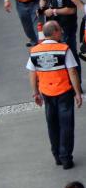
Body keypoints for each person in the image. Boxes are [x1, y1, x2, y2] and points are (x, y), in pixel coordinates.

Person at [28, 20, 82, 169]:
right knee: (66, 125)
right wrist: (78, 93)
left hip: (46, 93)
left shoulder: (35, 51)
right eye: (60, 30)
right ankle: (66, 158)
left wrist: (35, 93)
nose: (62, 32)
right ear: (55, 32)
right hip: (64, 92)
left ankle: (57, 156)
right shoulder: (63, 49)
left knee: (52, 125)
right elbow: (72, 71)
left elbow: (32, 73)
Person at [41, 0, 80, 71]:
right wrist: (42, 6)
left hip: (66, 27)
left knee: (70, 54)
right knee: (56, 55)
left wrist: (53, 11)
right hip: (51, 27)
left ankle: (77, 84)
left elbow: (72, 9)